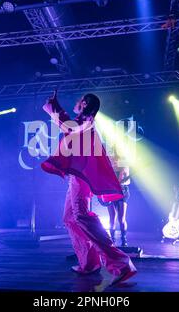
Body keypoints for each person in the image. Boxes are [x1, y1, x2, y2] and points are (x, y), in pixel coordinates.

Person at [41, 91, 137, 285]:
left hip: (81, 176)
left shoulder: (86, 119)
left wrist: (54, 107)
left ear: (84, 104)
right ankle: (89, 262)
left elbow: (69, 127)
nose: (76, 103)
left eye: (79, 101)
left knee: (81, 216)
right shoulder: (82, 120)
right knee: (70, 218)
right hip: (76, 176)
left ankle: (121, 263)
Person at [107, 154, 131, 247]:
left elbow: (124, 177)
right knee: (112, 218)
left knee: (121, 219)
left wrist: (119, 178)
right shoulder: (108, 160)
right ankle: (112, 240)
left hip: (122, 191)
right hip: (110, 191)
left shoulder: (123, 161)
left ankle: (124, 240)